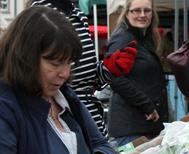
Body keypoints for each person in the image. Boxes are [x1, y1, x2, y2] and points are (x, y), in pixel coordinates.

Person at [0, 6, 119, 154]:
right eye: (54, 63)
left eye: (69, 63)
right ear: (24, 56)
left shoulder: (67, 98)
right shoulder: (7, 107)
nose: (64, 73)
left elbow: (100, 143)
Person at [28, 0, 132, 138]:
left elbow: (88, 80)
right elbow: (41, 75)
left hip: (92, 121)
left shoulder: (78, 14)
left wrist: (109, 69)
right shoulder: (42, 13)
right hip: (65, 121)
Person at [106, 0, 169, 147]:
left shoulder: (144, 39)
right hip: (131, 128)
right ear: (127, 13)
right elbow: (114, 77)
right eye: (136, 10)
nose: (142, 15)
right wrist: (146, 105)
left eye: (147, 10)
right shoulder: (123, 38)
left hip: (145, 126)